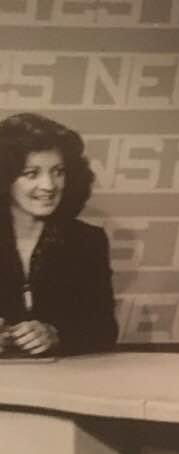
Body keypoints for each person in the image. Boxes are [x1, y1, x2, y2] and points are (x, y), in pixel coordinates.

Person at [0, 113, 117, 356]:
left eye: (58, 172)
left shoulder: (87, 241)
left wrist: (57, 334)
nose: (49, 186)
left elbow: (104, 330)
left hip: (62, 384)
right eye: (31, 173)